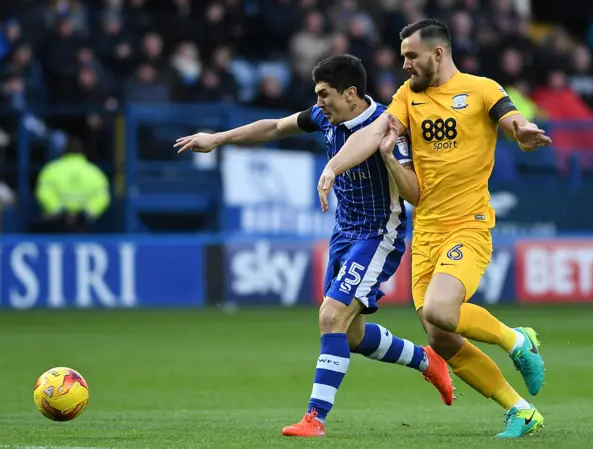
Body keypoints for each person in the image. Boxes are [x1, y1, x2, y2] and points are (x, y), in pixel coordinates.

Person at [174, 54, 453, 438]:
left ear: (351, 93)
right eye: (316, 95)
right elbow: (274, 127)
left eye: (324, 94)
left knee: (330, 317)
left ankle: (315, 419)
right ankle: (425, 359)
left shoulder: (388, 125)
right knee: (350, 335)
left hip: (378, 237)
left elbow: (411, 188)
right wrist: (218, 138)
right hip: (343, 236)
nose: (318, 103)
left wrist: (344, 167)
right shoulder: (326, 117)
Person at [317, 20, 552, 438]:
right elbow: (373, 133)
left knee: (443, 311)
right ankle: (520, 410)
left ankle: (517, 339)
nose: (405, 64)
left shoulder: (482, 89)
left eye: (412, 56)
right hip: (425, 233)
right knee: (440, 337)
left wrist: (523, 132)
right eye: (404, 56)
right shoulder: (408, 98)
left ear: (438, 53)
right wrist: (334, 167)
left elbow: (512, 118)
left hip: (469, 224)